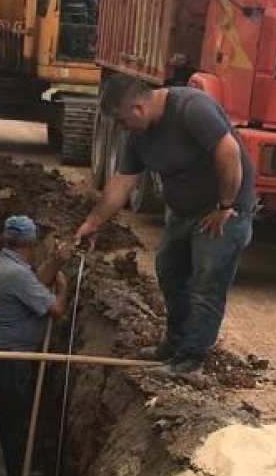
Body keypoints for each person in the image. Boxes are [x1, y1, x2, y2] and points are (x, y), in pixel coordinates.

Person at [75, 74, 255, 376]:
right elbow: (122, 183)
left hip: (222, 212)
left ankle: (190, 359)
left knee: (206, 281)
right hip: (183, 211)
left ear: (138, 108)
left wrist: (226, 205)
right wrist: (92, 222)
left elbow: (229, 151)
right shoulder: (139, 136)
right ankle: (173, 345)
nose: (122, 128)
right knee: (170, 271)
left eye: (122, 121)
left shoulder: (192, 108)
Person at [0, 215, 71, 476]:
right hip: (12, 359)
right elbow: (56, 311)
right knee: (15, 420)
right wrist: (62, 290)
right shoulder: (17, 274)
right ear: (30, 245)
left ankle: (6, 472)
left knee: (10, 414)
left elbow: (34, 283)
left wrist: (55, 262)